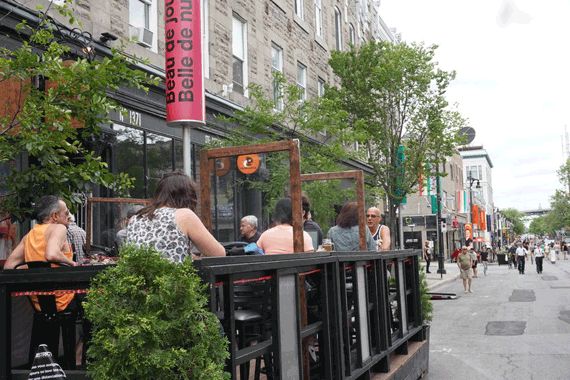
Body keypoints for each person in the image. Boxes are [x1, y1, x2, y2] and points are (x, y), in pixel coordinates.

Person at [127, 171, 225, 262]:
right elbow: (218, 254)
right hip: (172, 279)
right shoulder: (184, 215)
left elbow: (159, 250)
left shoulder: (135, 219)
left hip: (138, 280)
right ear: (187, 195)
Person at [4, 195, 77, 311]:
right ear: (55, 216)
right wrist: (72, 263)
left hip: (38, 304)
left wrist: (32, 265)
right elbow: (51, 254)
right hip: (63, 300)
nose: (69, 217)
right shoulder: (59, 228)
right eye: (66, 213)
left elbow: (8, 267)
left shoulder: (29, 235)